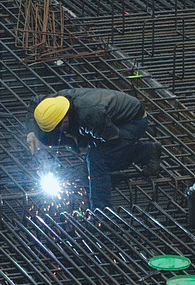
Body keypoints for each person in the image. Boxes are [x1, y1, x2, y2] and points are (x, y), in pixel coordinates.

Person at [27, 88, 162, 208]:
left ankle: (102, 210)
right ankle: (146, 152)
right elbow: (35, 101)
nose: (60, 132)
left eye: (60, 127)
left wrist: (81, 142)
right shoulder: (53, 102)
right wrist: (31, 131)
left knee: (98, 159)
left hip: (132, 121)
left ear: (65, 118)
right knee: (91, 165)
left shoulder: (91, 116)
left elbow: (112, 139)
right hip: (106, 122)